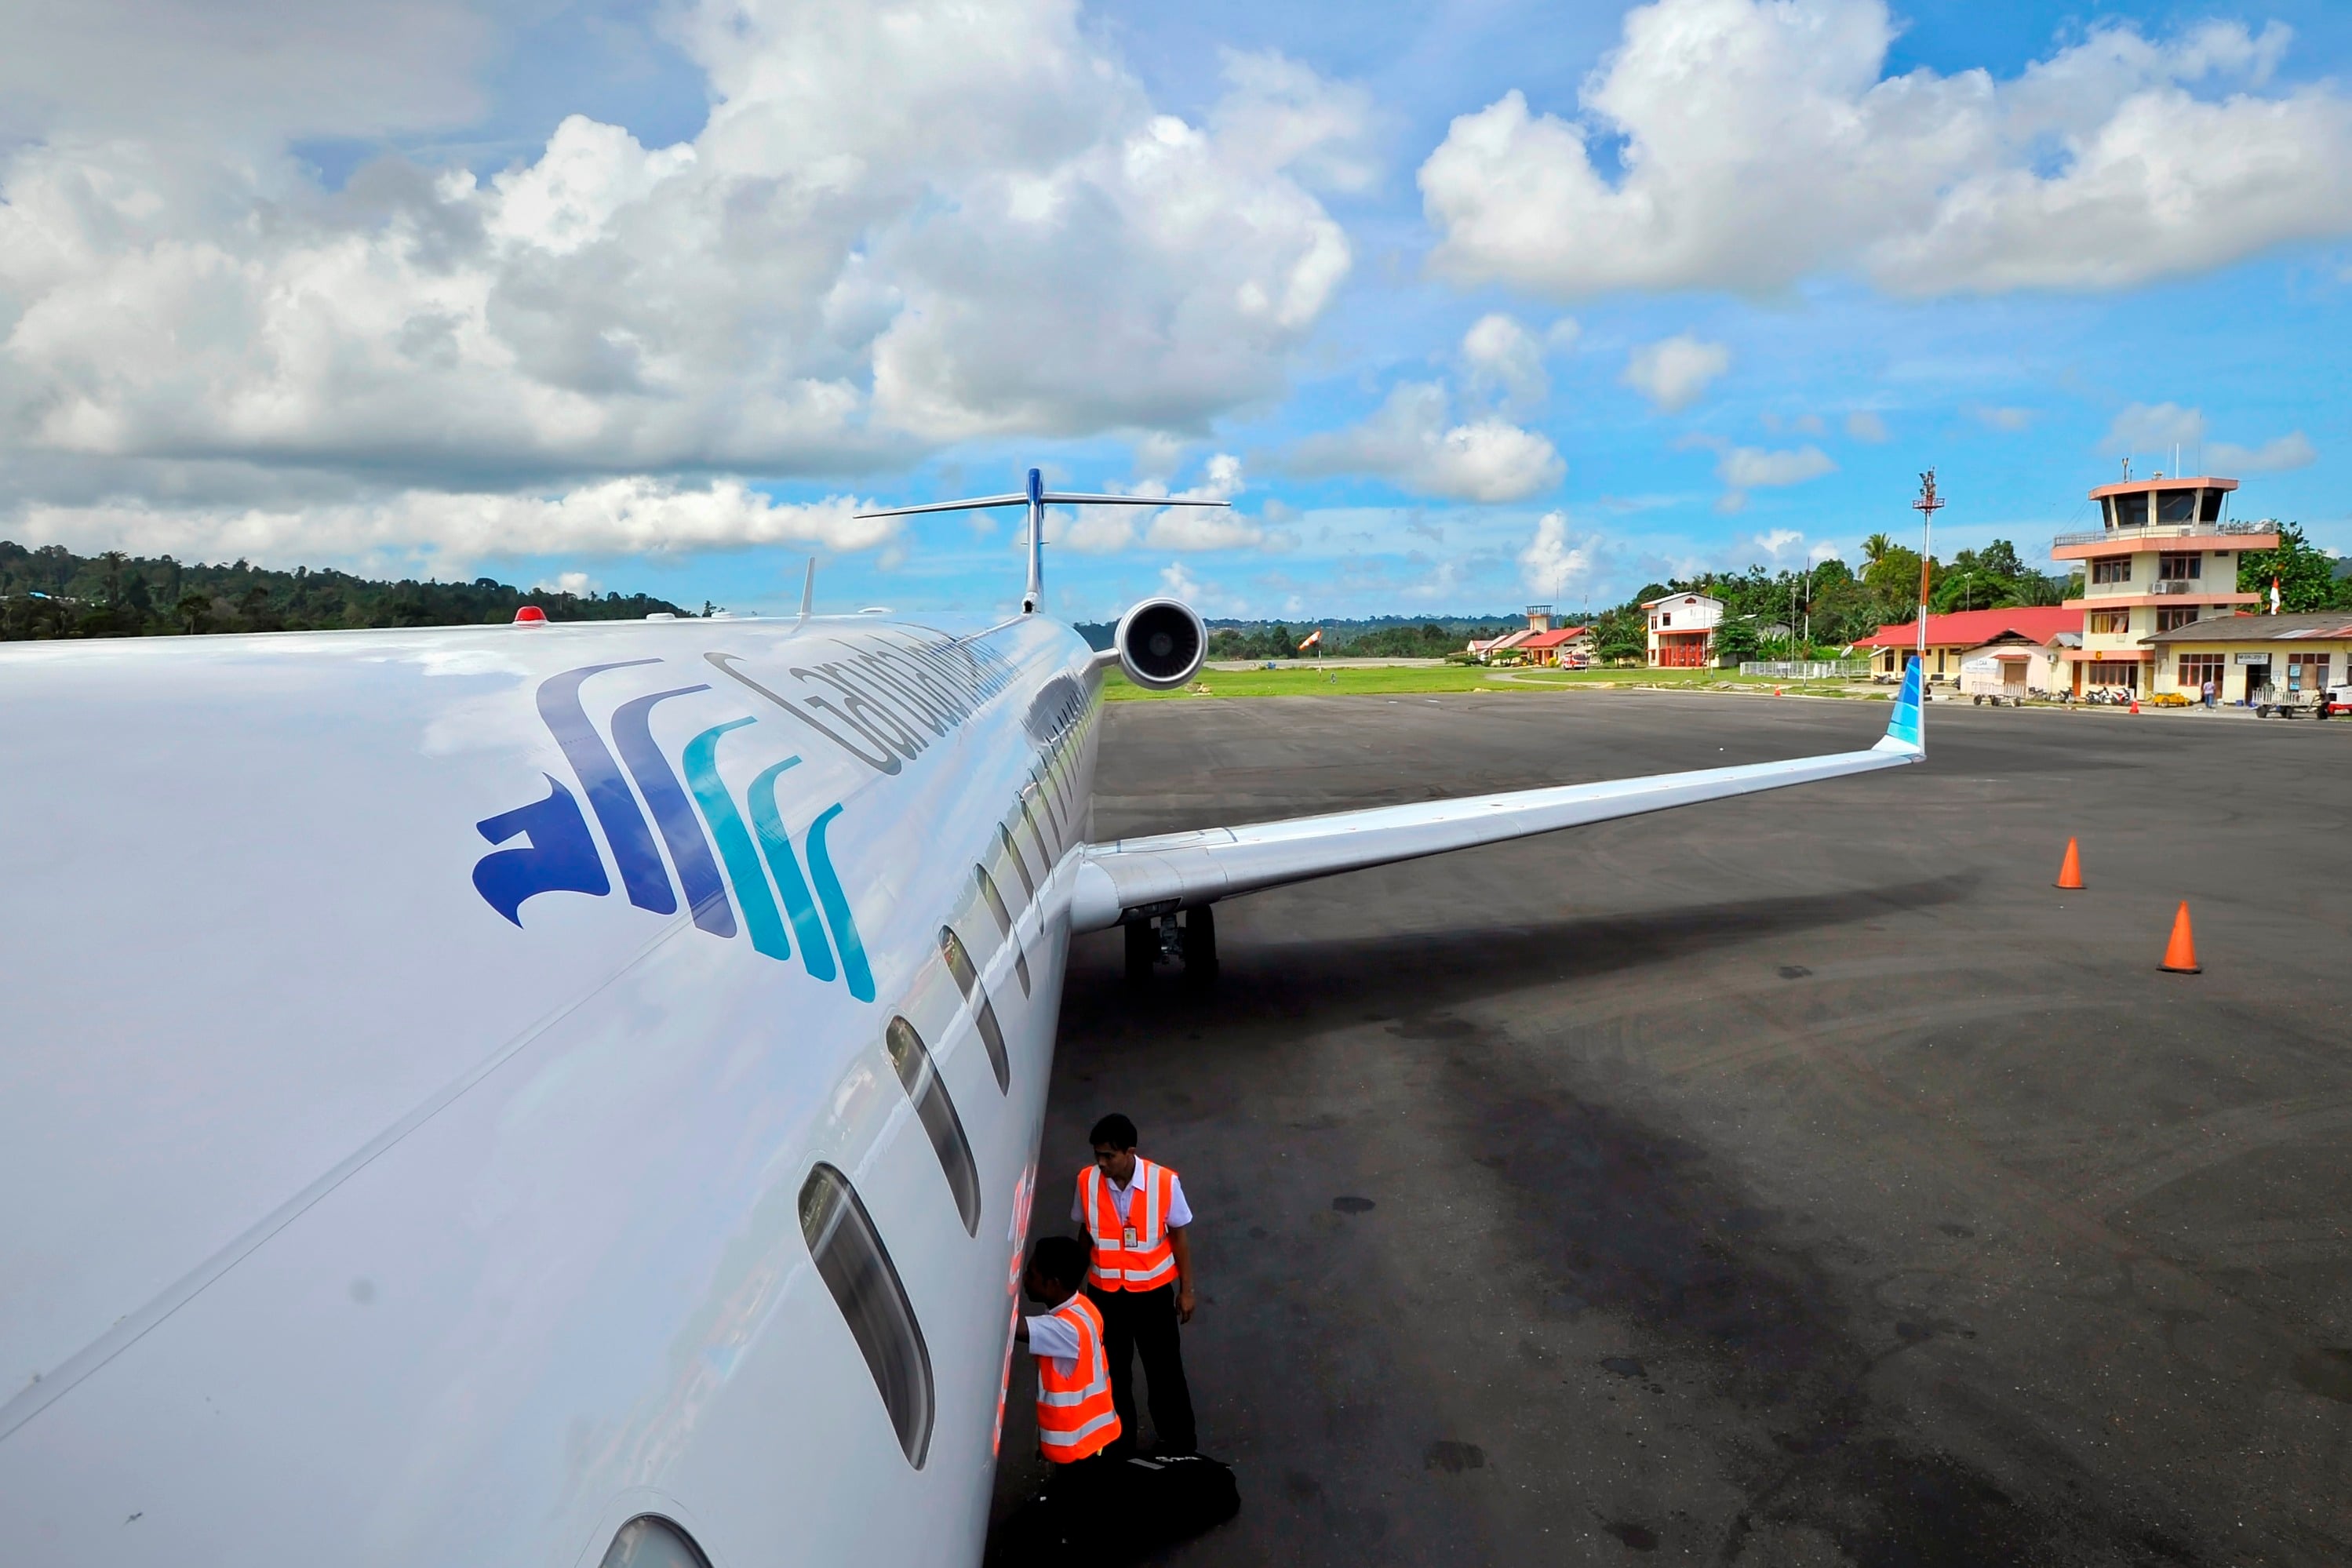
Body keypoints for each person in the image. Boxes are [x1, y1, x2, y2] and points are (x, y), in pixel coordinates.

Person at [1073, 1113, 1197, 1456]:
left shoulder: (1164, 1183)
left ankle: (1179, 1444)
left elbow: (1179, 1239)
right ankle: (1118, 1444)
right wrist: (1073, 1290)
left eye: (1108, 1156)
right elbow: (1085, 1234)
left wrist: (1186, 1291)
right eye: (1097, 1155)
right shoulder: (1086, 1182)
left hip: (1153, 1297)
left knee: (1165, 1374)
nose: (1101, 1163)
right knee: (1113, 1375)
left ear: (1130, 1152)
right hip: (1106, 1297)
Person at [1014, 1235, 1121, 1499]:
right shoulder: (1083, 1308)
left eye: (1030, 1274)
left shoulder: (1066, 1330)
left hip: (1078, 1447)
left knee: (1078, 1511)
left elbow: (1013, 1328)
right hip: (1092, 1439)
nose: (1024, 1280)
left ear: (1053, 1285)